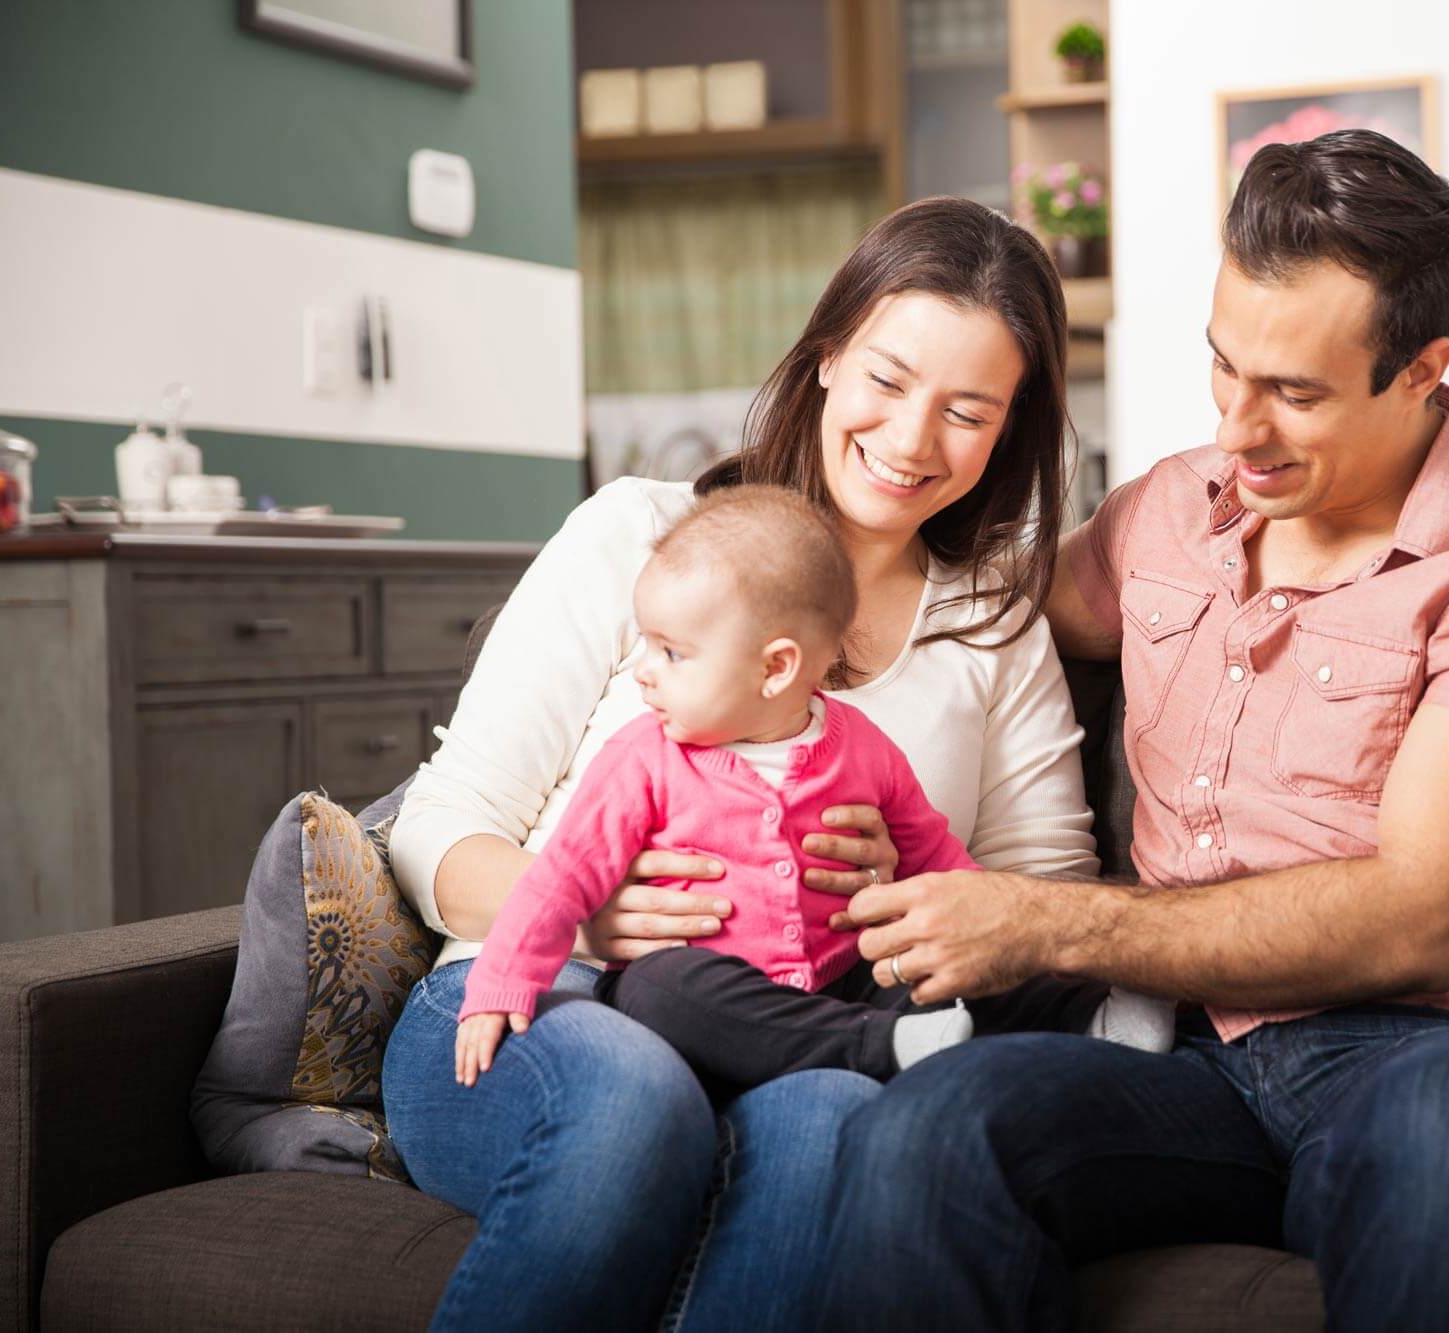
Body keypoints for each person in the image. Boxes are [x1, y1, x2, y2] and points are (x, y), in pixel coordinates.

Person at [817, 129, 1449, 1331]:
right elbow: (961, 602)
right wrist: (752, 597)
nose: (1236, 430)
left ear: (1424, 369)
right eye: (1224, 369)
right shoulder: (1167, 513)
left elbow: (1417, 925)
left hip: (1430, 1053)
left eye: (1295, 394)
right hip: (1179, 1060)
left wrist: (1041, 922)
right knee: (931, 1129)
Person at [380, 196, 1104, 1333]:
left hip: (806, 1029)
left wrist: (917, 901)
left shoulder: (990, 624)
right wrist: (588, 913)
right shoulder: (642, 537)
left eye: (967, 411)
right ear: (824, 356)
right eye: (887, 378)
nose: (912, 439)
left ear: (1010, 429)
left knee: (829, 1122)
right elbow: (439, 824)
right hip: (536, 1004)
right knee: (634, 1098)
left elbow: (1045, 899)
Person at [453, 486, 1169, 1094]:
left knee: (932, 964)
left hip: (845, 971)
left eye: (671, 652)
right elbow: (560, 879)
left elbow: (936, 856)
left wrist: (980, 934)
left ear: (775, 668)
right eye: (645, 643)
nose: (644, 671)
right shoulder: (641, 757)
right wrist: (500, 982)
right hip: (711, 987)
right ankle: (880, 1049)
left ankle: (1103, 1011)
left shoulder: (859, 746)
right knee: (658, 991)